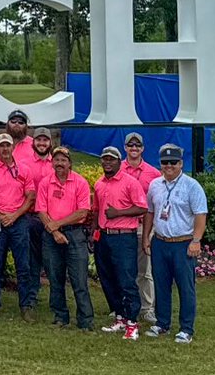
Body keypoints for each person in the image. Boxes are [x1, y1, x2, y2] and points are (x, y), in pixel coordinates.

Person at [143, 142, 208, 344]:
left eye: (173, 162)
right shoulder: (155, 184)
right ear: (160, 164)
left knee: (185, 287)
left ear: (181, 163)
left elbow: (200, 215)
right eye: (165, 162)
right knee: (161, 285)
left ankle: (186, 328)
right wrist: (146, 236)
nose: (168, 166)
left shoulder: (192, 186)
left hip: (183, 243)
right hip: (160, 241)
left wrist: (196, 240)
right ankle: (162, 323)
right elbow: (150, 212)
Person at [0, 134, 35, 320]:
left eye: (7, 146)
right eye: (1, 146)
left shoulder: (23, 169)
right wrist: (0, 215)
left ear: (13, 148)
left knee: (23, 266)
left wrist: (14, 215)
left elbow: (30, 196)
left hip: (18, 221)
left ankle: (26, 306)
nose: (5, 149)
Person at [36, 146, 93, 331]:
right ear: (52, 162)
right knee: (55, 278)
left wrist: (57, 224)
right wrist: (54, 231)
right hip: (51, 235)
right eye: (57, 160)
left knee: (79, 280)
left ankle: (85, 321)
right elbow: (41, 210)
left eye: (63, 160)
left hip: (75, 234)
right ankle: (60, 316)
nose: (60, 163)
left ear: (70, 163)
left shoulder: (80, 182)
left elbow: (82, 211)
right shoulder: (46, 182)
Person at [93, 145, 146, 340]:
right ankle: (120, 316)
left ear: (118, 162)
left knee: (126, 280)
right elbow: (96, 209)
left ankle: (132, 323)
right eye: (104, 159)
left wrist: (119, 213)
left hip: (124, 236)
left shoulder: (130, 182)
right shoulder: (99, 184)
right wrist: (94, 232)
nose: (107, 162)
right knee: (108, 278)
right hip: (104, 236)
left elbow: (142, 207)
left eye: (111, 159)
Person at [122, 131, 161, 323]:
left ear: (143, 148)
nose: (134, 148)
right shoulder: (117, 168)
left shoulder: (153, 173)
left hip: (143, 226)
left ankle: (147, 308)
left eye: (137, 146)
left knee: (145, 270)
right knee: (124, 268)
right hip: (121, 225)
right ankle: (125, 306)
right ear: (125, 148)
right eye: (131, 145)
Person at [24, 126, 54, 302]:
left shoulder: (56, 163)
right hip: (31, 217)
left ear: (50, 142)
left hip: (53, 218)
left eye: (45, 140)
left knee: (52, 259)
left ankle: (56, 297)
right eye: (39, 140)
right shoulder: (25, 164)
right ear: (33, 142)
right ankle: (32, 295)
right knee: (32, 259)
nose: (42, 143)